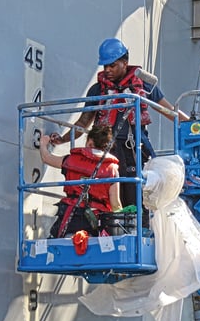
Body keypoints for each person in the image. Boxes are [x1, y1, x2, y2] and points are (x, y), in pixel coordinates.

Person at [50, 38, 188, 225]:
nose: (107, 70)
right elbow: (83, 122)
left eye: (112, 65)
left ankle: (138, 229)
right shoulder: (97, 89)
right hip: (104, 154)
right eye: (105, 66)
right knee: (101, 195)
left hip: (133, 150)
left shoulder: (144, 86)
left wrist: (192, 124)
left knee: (135, 192)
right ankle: (104, 228)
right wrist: (63, 140)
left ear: (125, 62)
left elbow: (168, 111)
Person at [40, 125, 122, 238]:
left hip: (70, 216)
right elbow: (115, 204)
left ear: (89, 142)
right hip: (96, 221)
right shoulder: (112, 169)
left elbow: (47, 158)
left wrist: (43, 143)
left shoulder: (71, 159)